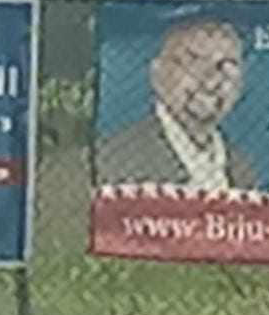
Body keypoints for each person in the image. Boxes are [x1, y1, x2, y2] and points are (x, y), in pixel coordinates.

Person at [94, 14, 260, 192]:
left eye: (226, 65)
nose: (211, 81)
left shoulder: (242, 170)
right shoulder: (113, 158)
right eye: (194, 63)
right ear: (157, 74)